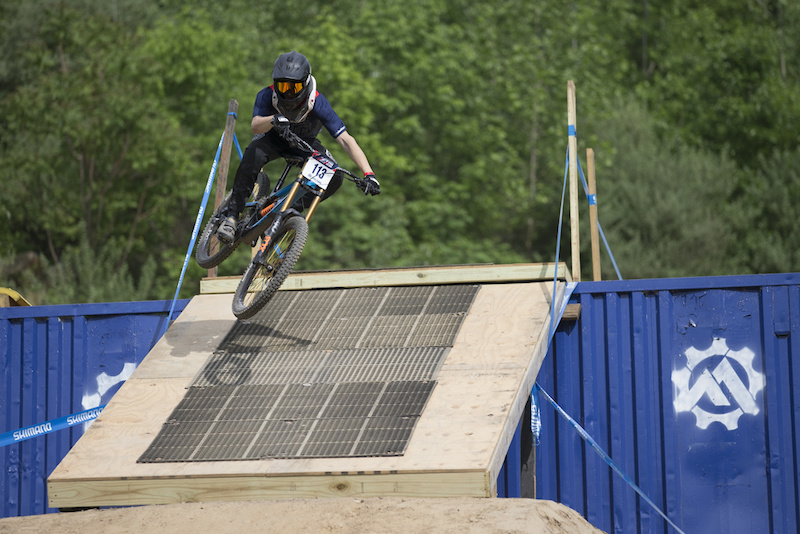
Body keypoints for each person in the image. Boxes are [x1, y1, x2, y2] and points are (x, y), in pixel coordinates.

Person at [217, 50, 380, 243]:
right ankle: (232, 216)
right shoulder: (267, 95)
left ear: (306, 82)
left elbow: (345, 139)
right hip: (272, 138)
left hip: (304, 144)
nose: (288, 92)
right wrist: (273, 119)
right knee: (253, 154)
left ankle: (284, 213)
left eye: (294, 87)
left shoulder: (317, 102)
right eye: (283, 85)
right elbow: (255, 126)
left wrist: (369, 173)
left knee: (335, 176)